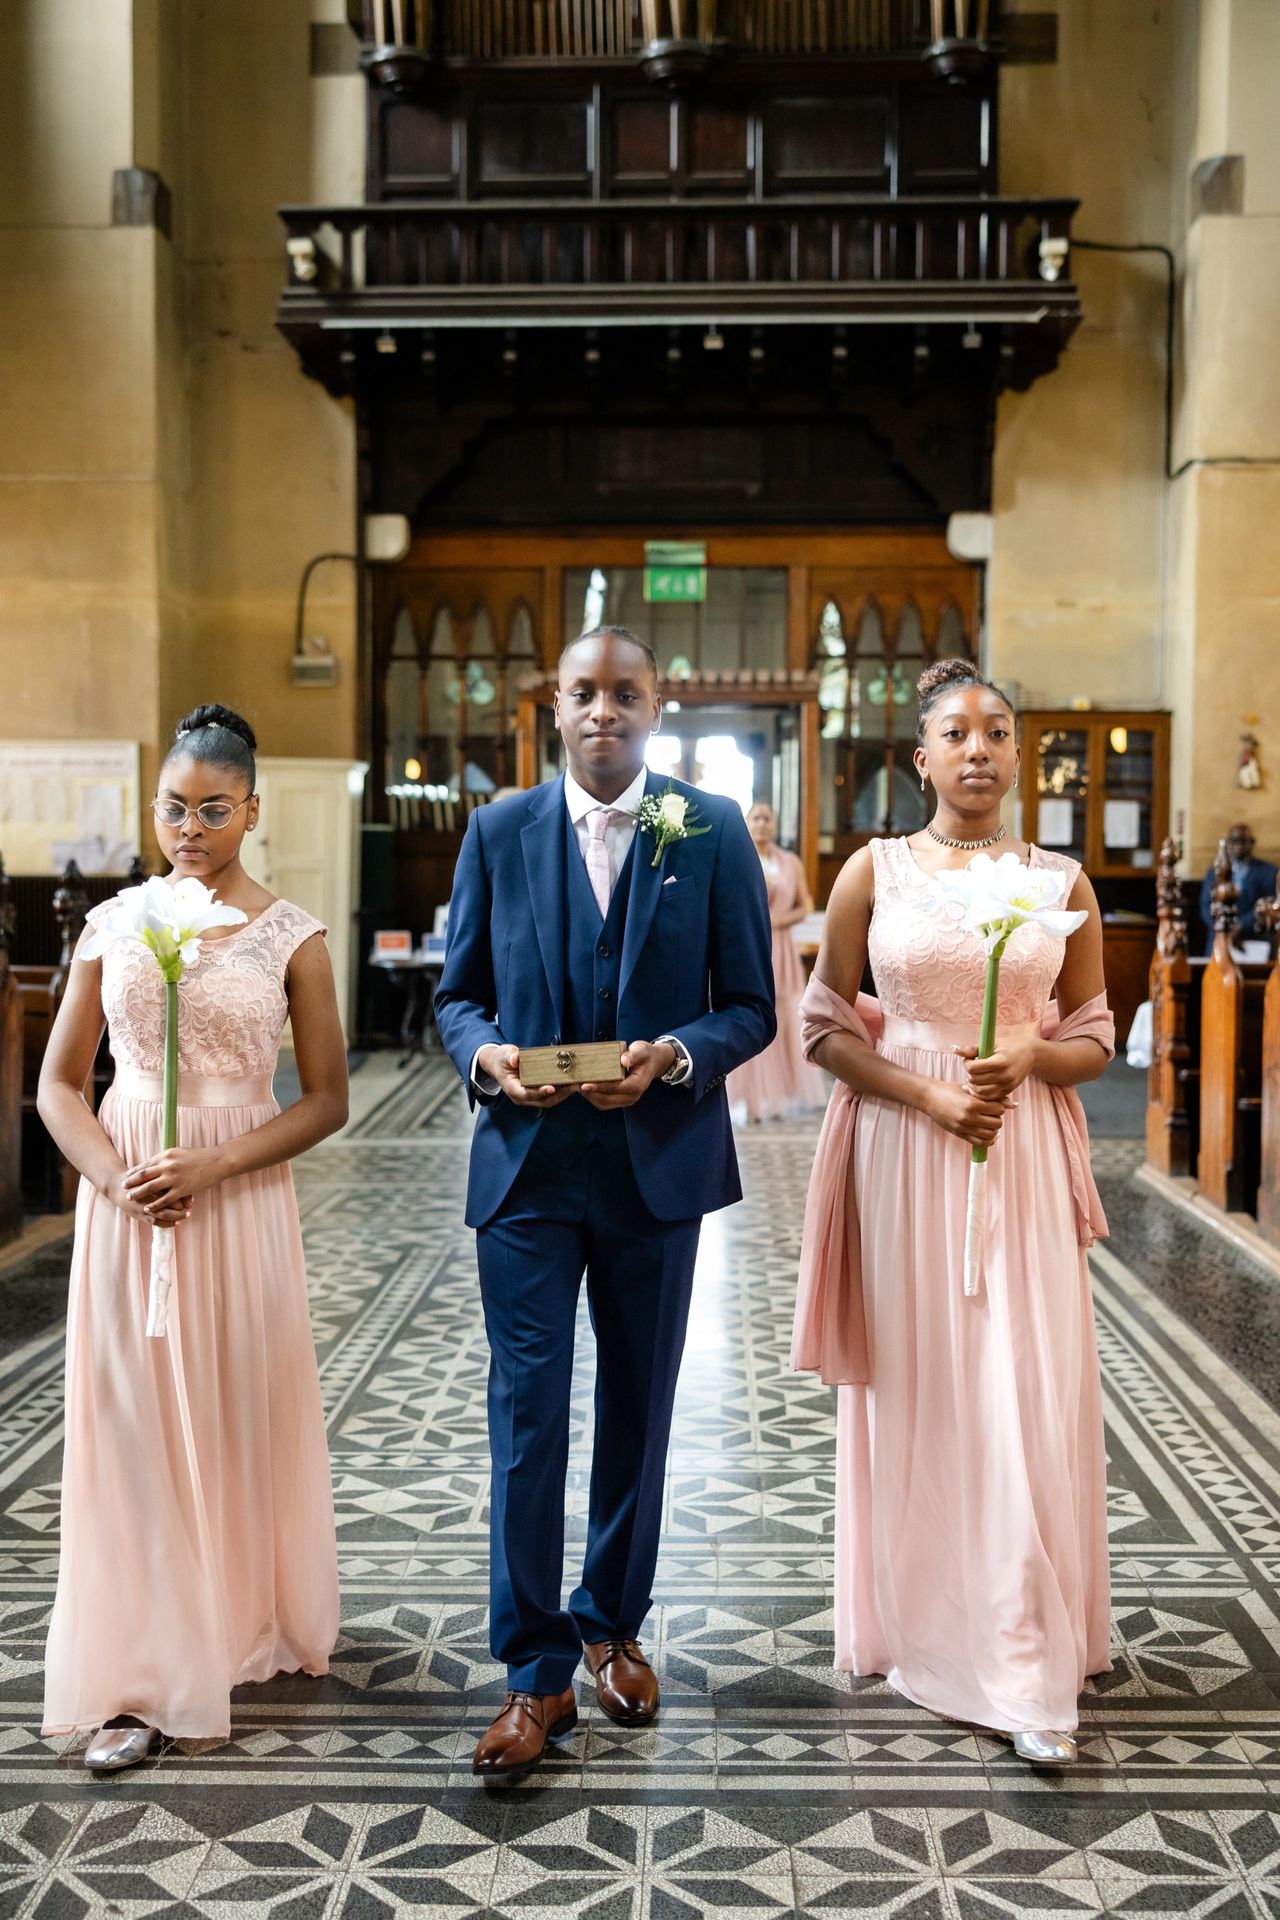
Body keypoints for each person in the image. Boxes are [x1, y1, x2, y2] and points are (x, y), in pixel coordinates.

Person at [434, 624, 775, 1781]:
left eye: (623, 694)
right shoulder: (495, 831)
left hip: (653, 1166)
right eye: (583, 692)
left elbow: (749, 1008)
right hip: (527, 1171)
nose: (602, 712)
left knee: (638, 1405)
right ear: (555, 703)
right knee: (527, 1415)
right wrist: (487, 1061)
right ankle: (532, 1674)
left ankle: (611, 1624)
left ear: (653, 705)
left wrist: (675, 1053)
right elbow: (458, 995)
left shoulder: (707, 827)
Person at [791, 658, 1115, 1765]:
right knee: (929, 1387)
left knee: (1013, 1387)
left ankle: (1023, 1660)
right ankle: (927, 1619)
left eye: (996, 732)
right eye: (953, 733)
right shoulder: (868, 873)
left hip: (1015, 1150)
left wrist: (1028, 1052)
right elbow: (824, 1028)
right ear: (918, 758)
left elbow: (1096, 1035)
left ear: (1016, 755)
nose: (976, 749)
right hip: (903, 1152)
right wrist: (931, 1094)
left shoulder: (1060, 879)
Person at [39, 705, 347, 1769]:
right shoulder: (114, 924)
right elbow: (59, 1085)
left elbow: (327, 1102)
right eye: (173, 806)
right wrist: (119, 1182)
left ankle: (232, 1616)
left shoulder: (291, 937)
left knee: (228, 1406)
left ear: (252, 810)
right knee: (130, 1421)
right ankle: (139, 1669)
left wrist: (215, 1162)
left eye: (214, 808)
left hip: (237, 1198)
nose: (189, 827)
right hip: (126, 1194)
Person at [727, 802, 827, 1121]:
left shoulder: (790, 862)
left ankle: (781, 1097)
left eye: (767, 818)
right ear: (747, 822)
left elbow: (805, 904)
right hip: (750, 944)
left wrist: (778, 919)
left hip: (781, 946)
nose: (762, 824)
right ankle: (753, 1101)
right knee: (751, 1012)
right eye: (756, 818)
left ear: (774, 824)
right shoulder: (737, 858)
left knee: (785, 1016)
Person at [1199, 823, 1277, 953]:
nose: (1239, 846)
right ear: (1228, 843)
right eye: (1234, 841)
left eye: (1243, 841)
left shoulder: (1269, 872)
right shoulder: (1214, 872)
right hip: (1218, 939)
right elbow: (1205, 906)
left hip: (1252, 940)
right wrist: (1223, 929)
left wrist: (1241, 926)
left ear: (1252, 843)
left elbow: (1268, 904)